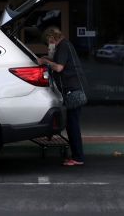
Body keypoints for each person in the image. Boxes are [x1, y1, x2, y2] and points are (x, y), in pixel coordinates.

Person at [38, 26, 86, 166]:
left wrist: (45, 61)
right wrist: (47, 57)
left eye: (48, 42)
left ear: (51, 37)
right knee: (72, 124)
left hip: (72, 90)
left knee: (73, 126)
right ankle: (77, 156)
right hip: (73, 89)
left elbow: (59, 67)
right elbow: (56, 60)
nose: (49, 45)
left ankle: (78, 158)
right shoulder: (64, 46)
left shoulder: (64, 46)